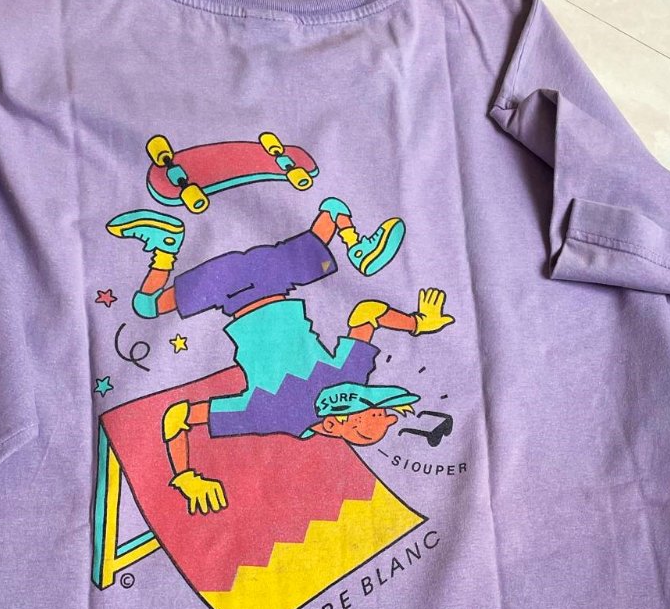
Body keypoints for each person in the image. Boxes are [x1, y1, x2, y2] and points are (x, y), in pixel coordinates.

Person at [106, 197, 453, 514]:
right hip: (235, 288)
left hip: (275, 273)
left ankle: (354, 243)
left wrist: (418, 323)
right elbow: (178, 417)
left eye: (372, 412)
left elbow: (368, 312)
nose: (379, 409)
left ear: (333, 425)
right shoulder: (273, 413)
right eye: (381, 410)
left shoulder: (337, 383)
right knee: (147, 306)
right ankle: (166, 248)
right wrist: (185, 476)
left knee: (332, 210)